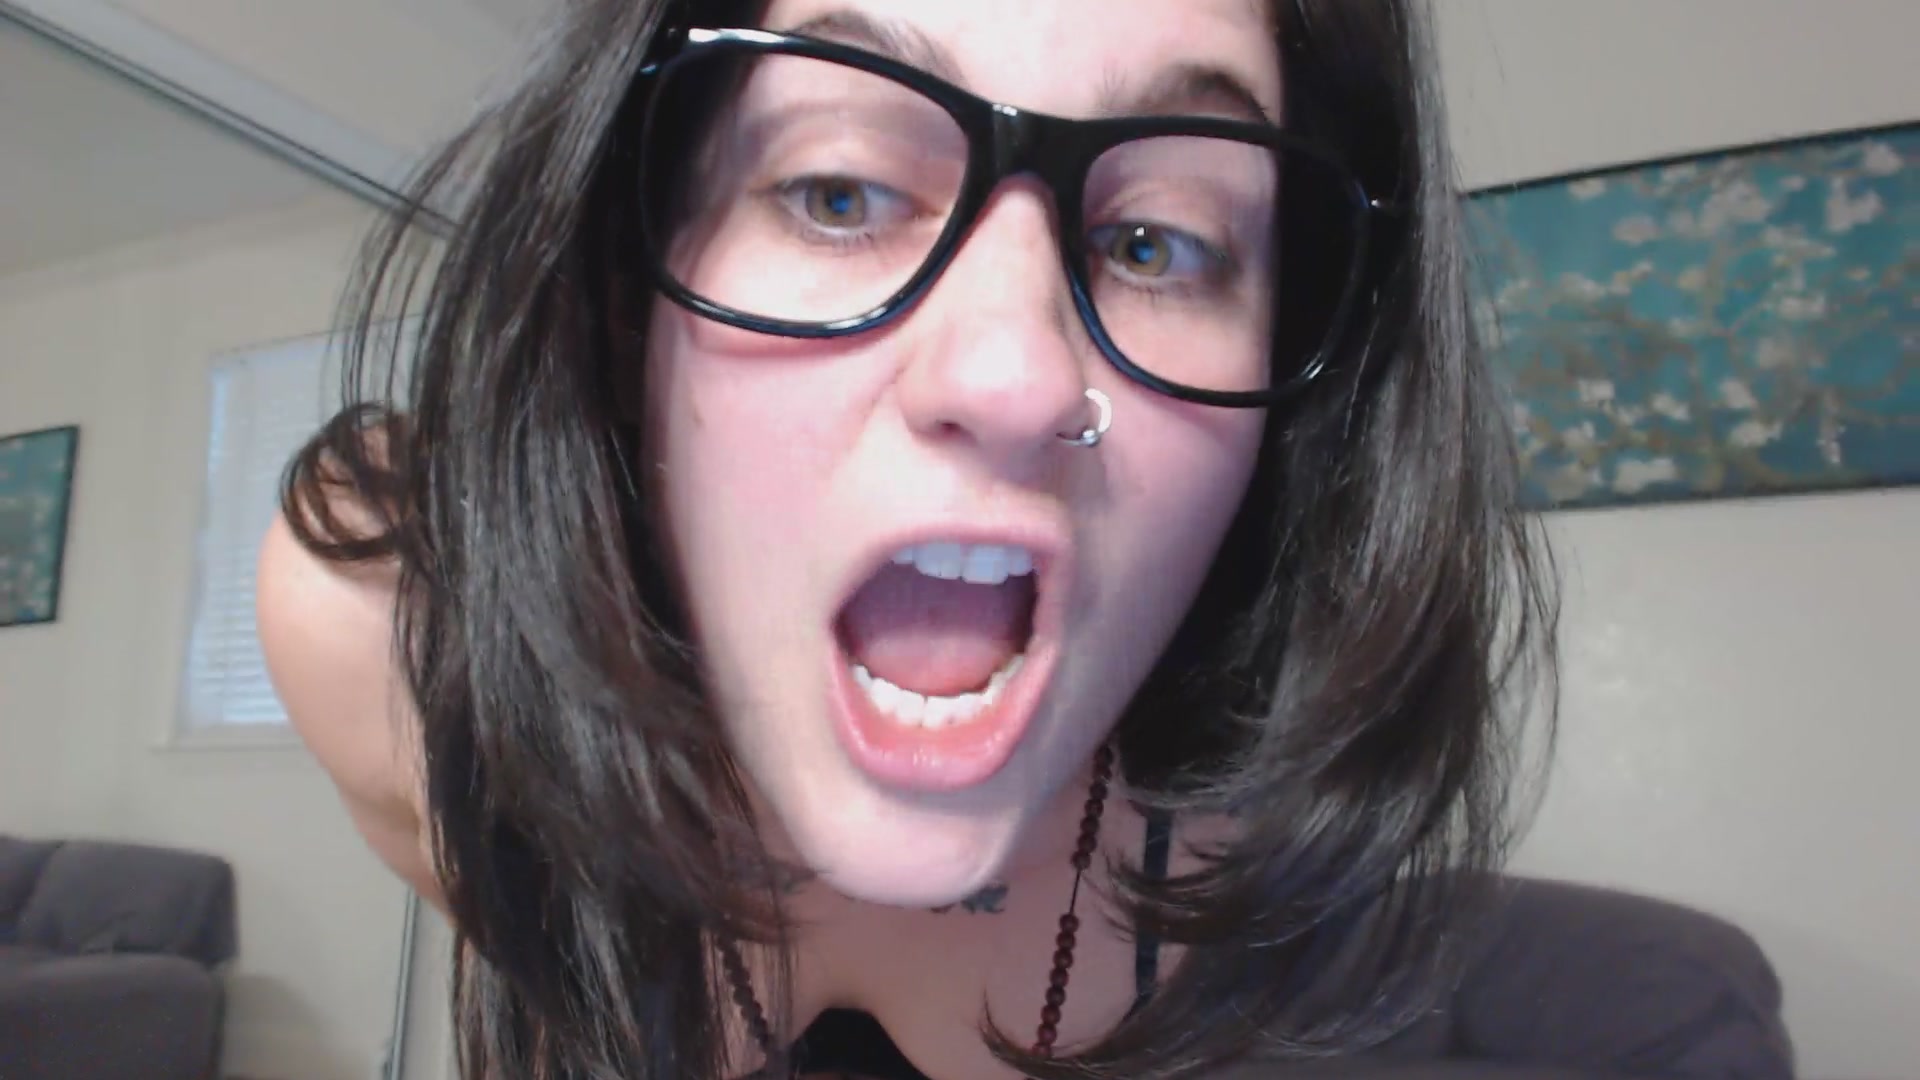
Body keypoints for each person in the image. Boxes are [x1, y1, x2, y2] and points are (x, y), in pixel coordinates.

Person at [256, 0, 1559, 1077]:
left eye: (1154, 242)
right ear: (621, 284)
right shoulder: (388, 641)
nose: (1015, 376)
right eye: (839, 193)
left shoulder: (1263, 820)